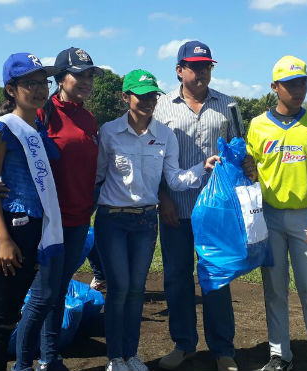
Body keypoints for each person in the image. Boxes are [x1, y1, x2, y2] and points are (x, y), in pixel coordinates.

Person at [95, 69, 220, 371]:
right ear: (125, 97)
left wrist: (203, 167)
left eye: (152, 95)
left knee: (137, 289)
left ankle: (131, 354)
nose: (148, 101)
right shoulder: (109, 132)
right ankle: (115, 357)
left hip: (145, 222)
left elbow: (175, 180)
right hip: (112, 219)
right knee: (119, 287)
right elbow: (97, 176)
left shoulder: (164, 134)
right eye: (141, 95)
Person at [153, 40, 245, 371]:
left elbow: (240, 150)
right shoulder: (161, 107)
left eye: (206, 65)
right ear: (180, 70)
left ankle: (223, 349)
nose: (202, 71)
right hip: (176, 208)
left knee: (216, 278)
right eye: (194, 66)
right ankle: (183, 344)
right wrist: (163, 198)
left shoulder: (228, 105)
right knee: (177, 278)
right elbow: (154, 156)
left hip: (217, 212)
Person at [247, 55, 307, 371]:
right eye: (289, 84)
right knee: (274, 286)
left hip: (306, 216)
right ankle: (279, 355)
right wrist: (245, 166)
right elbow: (252, 173)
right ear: (275, 87)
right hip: (269, 216)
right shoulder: (257, 125)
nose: (297, 89)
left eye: (302, 83)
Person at [0, 53, 60, 371]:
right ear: (11, 89)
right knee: (2, 320)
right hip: (11, 230)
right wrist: (3, 239)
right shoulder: (3, 128)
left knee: (14, 313)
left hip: (34, 228)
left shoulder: (36, 124)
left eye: (43, 82)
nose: (40, 89)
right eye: (31, 83)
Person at [29, 47, 104, 371]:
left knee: (58, 289)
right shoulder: (43, 113)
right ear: (60, 78)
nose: (86, 81)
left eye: (90, 75)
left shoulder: (88, 117)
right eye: (79, 74)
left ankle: (49, 356)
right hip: (48, 220)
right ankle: (29, 357)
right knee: (44, 293)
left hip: (79, 218)